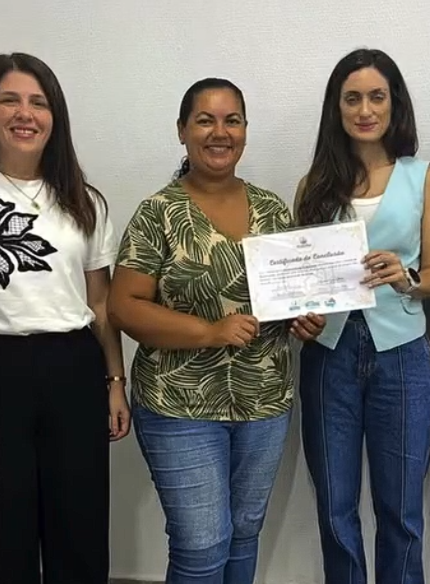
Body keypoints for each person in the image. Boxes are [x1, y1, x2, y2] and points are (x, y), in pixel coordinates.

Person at [107, 77, 324, 584]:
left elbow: (290, 295)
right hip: (178, 406)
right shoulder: (158, 213)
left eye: (232, 120)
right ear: (182, 130)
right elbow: (123, 306)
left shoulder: (272, 209)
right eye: (205, 120)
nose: (219, 132)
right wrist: (209, 331)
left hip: (264, 403)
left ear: (245, 130)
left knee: (244, 534)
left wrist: (305, 318)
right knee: (202, 546)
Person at [0, 52, 129, 584]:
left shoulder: (84, 201)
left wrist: (114, 382)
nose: (25, 114)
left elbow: (100, 304)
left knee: (79, 519)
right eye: (10, 100)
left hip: (73, 366)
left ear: (54, 116)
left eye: (38, 103)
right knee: (4, 519)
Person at [292, 48, 430, 584]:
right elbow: (302, 281)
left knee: (400, 508)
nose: (365, 110)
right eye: (352, 98)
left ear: (394, 104)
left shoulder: (424, 178)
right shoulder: (314, 184)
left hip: (400, 351)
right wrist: (302, 317)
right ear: (335, 108)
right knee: (334, 506)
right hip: (328, 352)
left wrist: (406, 278)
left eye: (376, 97)